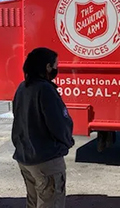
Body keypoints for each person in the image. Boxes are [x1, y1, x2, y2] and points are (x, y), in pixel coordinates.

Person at [11, 47, 74, 208]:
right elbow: (59, 123)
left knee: (33, 202)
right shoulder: (46, 90)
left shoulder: (22, 88)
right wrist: (66, 142)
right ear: (47, 67)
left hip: (26, 158)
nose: (56, 68)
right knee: (51, 202)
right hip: (46, 160)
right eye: (55, 65)